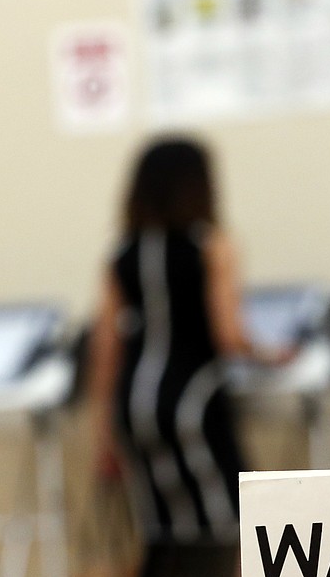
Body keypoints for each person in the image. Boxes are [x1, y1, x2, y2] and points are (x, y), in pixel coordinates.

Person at [88, 136, 282, 540]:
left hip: (134, 407)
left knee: (163, 533)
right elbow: (228, 335)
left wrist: (104, 430)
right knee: (233, 527)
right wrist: (272, 354)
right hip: (194, 398)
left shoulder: (120, 253)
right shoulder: (212, 245)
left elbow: (106, 348)